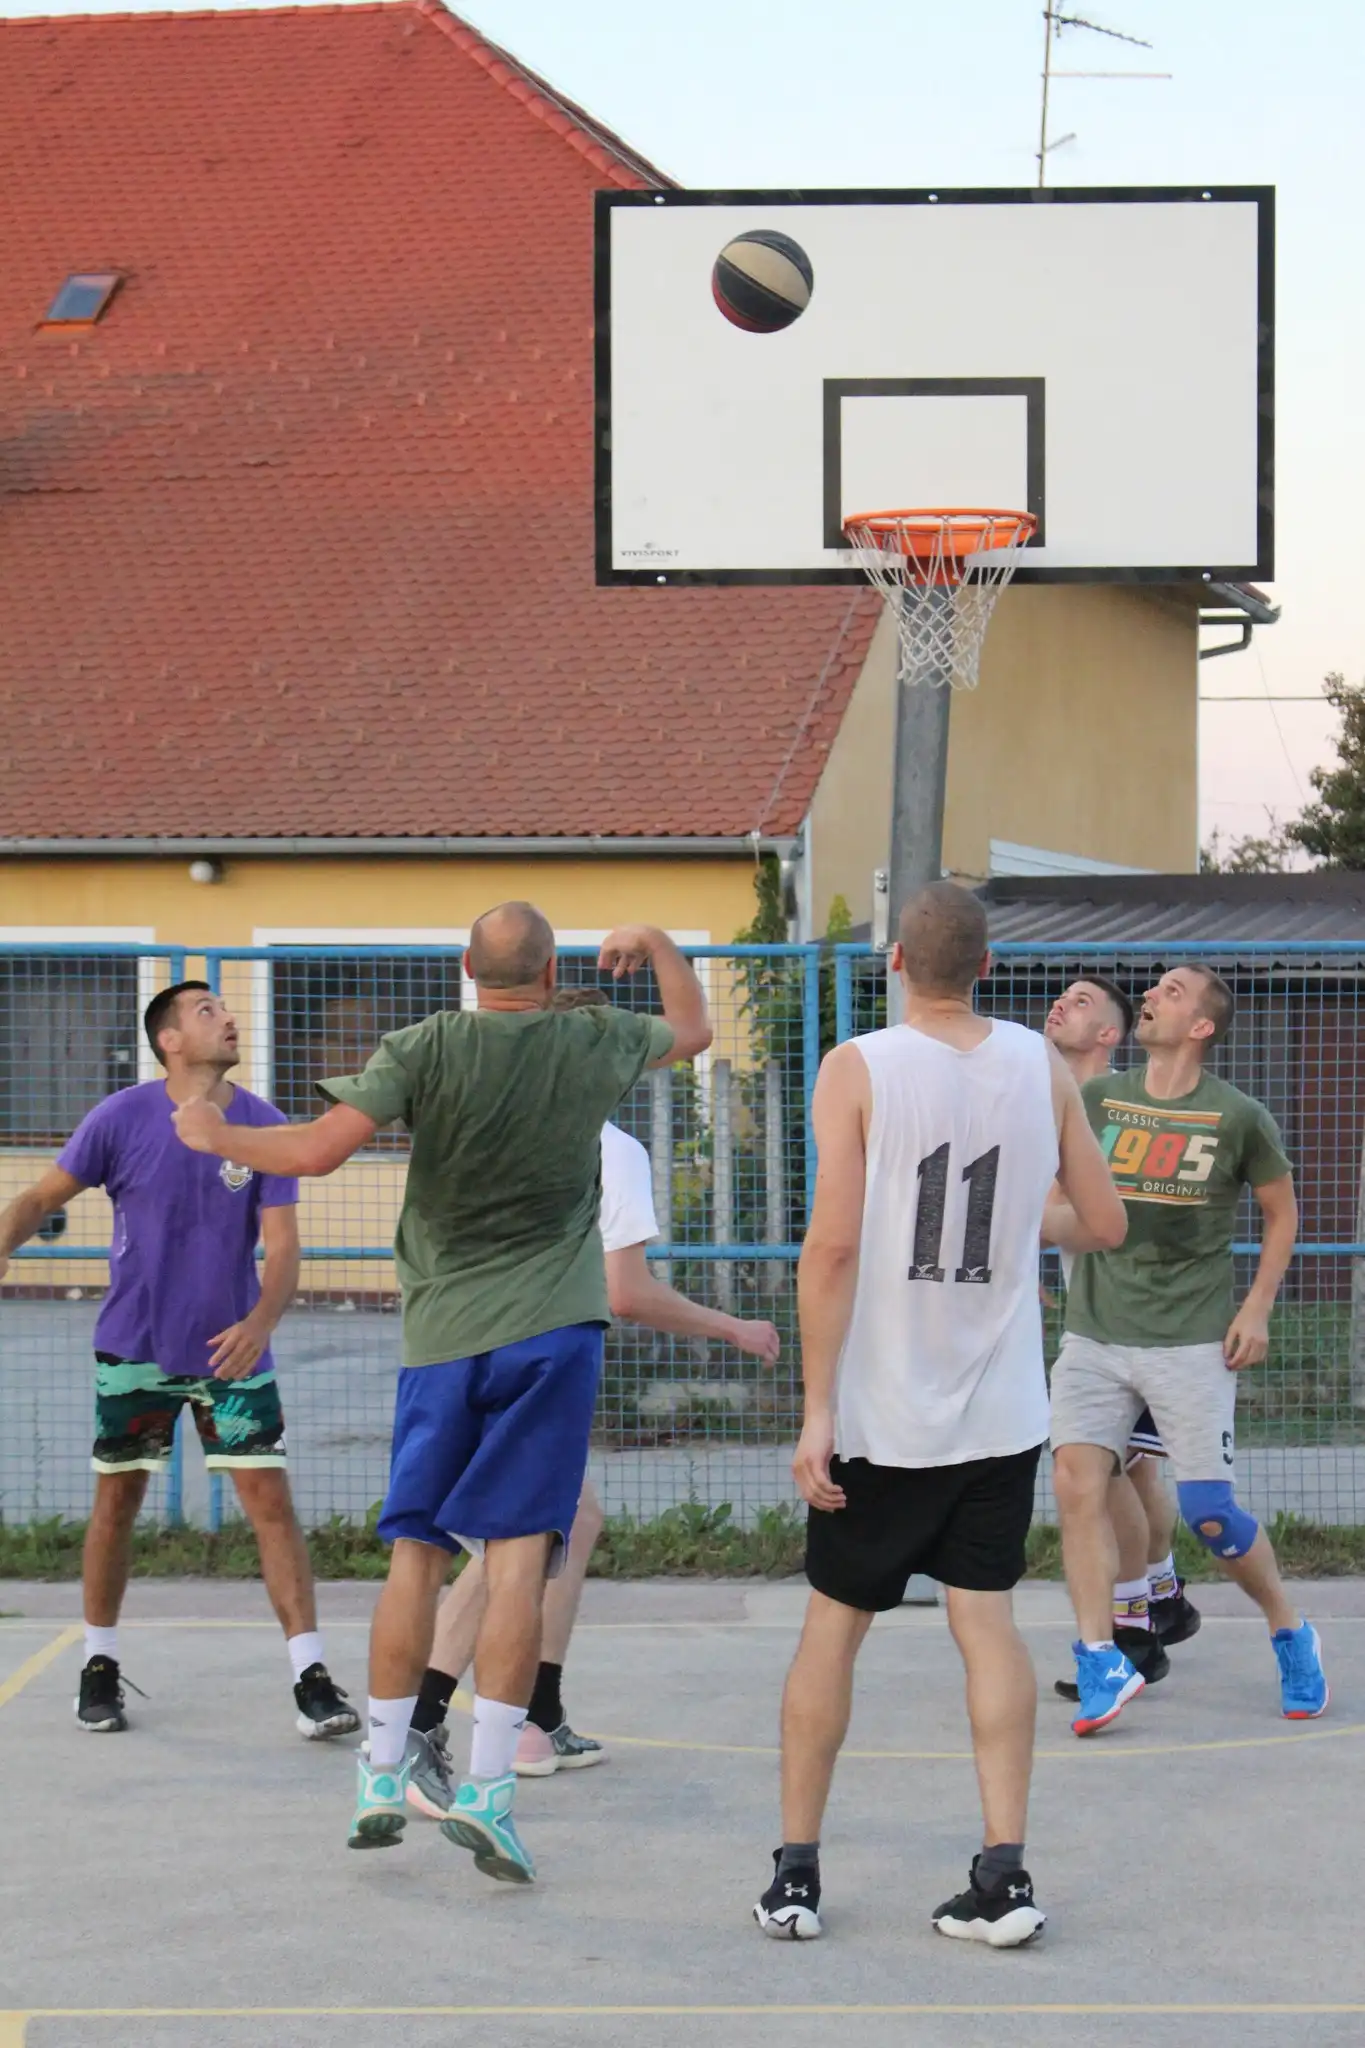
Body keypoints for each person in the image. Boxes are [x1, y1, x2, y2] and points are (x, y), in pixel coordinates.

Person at [173, 904, 710, 1883]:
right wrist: (657, 942)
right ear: (549, 972)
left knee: (416, 1555)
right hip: (552, 1331)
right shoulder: (593, 1038)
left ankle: (381, 1774)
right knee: (518, 1559)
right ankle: (490, 1792)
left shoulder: (422, 1047)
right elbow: (694, 1028)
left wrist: (215, 1133)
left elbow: (316, 1150)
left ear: (468, 965)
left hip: (442, 1334)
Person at [755, 883, 1125, 1948]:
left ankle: (795, 1876)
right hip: (999, 1411)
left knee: (834, 1628)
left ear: (896, 961)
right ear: (988, 966)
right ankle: (1003, 1875)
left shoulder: (857, 1066)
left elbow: (831, 1247)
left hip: (881, 1412)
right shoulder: (1039, 1064)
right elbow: (1103, 1220)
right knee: (987, 1625)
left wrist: (816, 1410)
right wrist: (1015, 1221)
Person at [399, 1008, 781, 1816]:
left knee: (565, 1520)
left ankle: (534, 1716)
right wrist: (731, 1326)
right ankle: (424, 1724)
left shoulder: (486, 1129)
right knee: (517, 1538)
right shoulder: (609, 1147)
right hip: (534, 1361)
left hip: (457, 1348)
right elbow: (625, 1291)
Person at [0, 981, 358, 1740]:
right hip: (134, 1348)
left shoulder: (261, 1124)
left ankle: (311, 1677)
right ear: (169, 1040)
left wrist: (261, 1321)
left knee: (271, 1506)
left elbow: (283, 1247)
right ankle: (98, 1665)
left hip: (232, 1352)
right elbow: (40, 1197)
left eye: (225, 1008)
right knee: (117, 1503)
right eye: (207, 1011)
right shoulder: (120, 1117)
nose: (228, 1018)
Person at [1047, 963, 1326, 1736]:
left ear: (1201, 1026)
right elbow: (1058, 1198)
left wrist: (1256, 1308)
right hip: (1094, 1332)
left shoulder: (1237, 1117)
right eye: (1152, 989)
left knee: (1209, 1516)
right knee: (1076, 1483)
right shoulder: (1097, 1101)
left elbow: (1281, 1214)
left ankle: (1288, 1630)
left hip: (1188, 1338)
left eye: (1170, 992)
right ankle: (1100, 1656)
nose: (1149, 997)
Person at [1042, 978, 1200, 1704]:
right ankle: (1159, 1601)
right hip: (1097, 1315)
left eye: (1081, 1002)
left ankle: (1135, 1628)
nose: (1059, 1005)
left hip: (1133, 1323)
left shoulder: (1114, 1111)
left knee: (1106, 1474)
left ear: (1109, 1034)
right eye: (1061, 997)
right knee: (1129, 1472)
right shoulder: (1059, 1099)